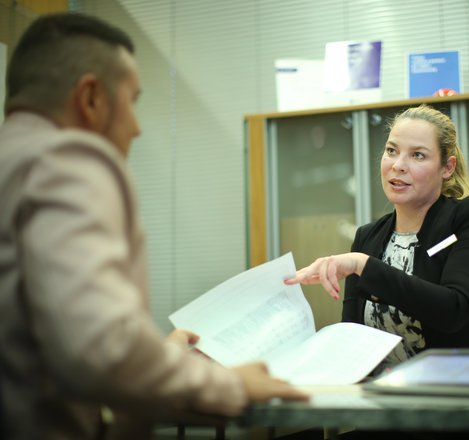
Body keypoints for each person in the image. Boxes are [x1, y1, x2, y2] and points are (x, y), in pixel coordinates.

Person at [0, 12, 307, 440]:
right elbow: (99, 350)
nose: (138, 127)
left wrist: (159, 358)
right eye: (131, 101)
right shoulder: (66, 162)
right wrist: (231, 386)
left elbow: (43, 337)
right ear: (90, 98)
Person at [286, 104, 469, 365]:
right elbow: (352, 337)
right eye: (391, 151)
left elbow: (453, 309)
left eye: (418, 155)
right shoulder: (367, 238)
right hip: (388, 396)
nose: (398, 165)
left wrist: (363, 265)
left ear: (447, 168)